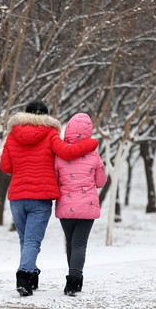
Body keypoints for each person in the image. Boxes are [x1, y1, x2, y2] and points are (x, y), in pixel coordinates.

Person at [0, 100, 98, 297]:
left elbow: (6, 167)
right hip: (40, 197)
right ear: (45, 116)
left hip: (17, 196)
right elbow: (67, 152)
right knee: (32, 241)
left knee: (25, 239)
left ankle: (32, 274)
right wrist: (92, 143)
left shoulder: (12, 136)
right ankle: (24, 276)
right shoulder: (50, 133)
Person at [54, 113, 107, 296]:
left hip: (65, 207)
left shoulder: (59, 155)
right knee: (80, 244)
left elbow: (54, 180)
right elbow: (101, 182)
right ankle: (74, 280)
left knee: (70, 243)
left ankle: (72, 280)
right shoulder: (94, 155)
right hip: (87, 207)